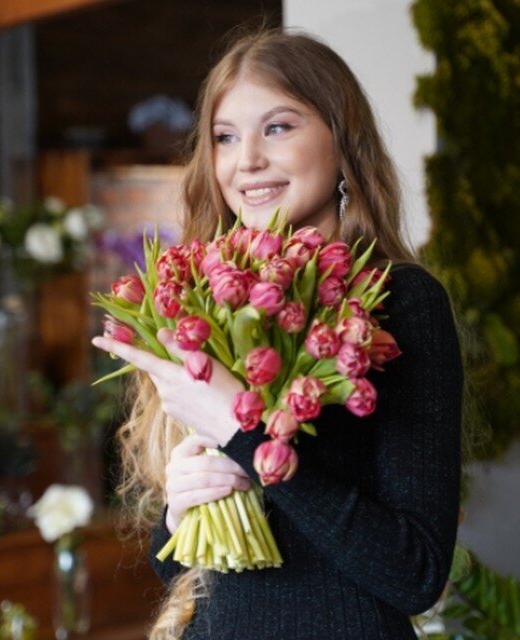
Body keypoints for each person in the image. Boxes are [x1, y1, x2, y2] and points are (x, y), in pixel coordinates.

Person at [91, 29, 463, 640]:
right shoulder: (206, 304)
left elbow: (416, 573)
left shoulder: (404, 300)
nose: (248, 161)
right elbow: (178, 567)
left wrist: (241, 434)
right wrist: (181, 507)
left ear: (344, 142)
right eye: (225, 137)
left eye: (279, 127)